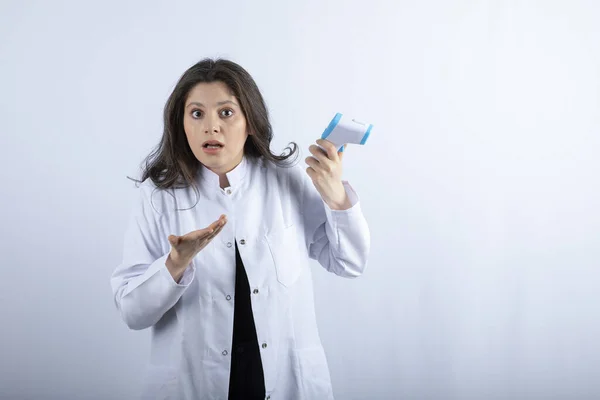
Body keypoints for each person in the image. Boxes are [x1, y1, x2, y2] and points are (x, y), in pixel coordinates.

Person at [110, 58, 371, 400]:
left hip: (286, 381)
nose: (211, 127)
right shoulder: (156, 199)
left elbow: (349, 263)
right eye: (197, 114)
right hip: (193, 385)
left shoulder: (286, 180)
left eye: (226, 112)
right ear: (181, 124)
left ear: (250, 121)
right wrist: (173, 265)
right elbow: (132, 312)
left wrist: (337, 198)